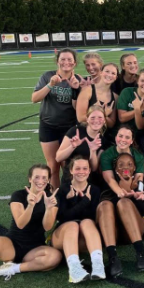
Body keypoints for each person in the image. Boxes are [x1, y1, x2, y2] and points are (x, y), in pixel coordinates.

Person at [97, 126, 144, 276]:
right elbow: (109, 179)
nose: (123, 140)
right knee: (106, 204)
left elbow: (140, 180)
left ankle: (140, 252)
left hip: (133, 229)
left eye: (127, 137)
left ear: (132, 141)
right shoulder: (107, 156)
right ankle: (113, 257)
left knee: (124, 203)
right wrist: (119, 191)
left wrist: (137, 193)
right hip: (113, 230)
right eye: (121, 136)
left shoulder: (138, 158)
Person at [32, 48, 82, 189]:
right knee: (53, 167)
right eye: (63, 59)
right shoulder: (47, 76)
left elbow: (77, 108)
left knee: (68, 167)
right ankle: (55, 199)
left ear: (74, 63)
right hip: (48, 126)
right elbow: (34, 98)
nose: (66, 62)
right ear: (57, 61)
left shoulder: (78, 79)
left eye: (69, 60)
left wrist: (76, 89)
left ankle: (69, 198)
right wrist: (50, 85)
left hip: (69, 128)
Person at [51, 157, 105, 283]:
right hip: (64, 237)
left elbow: (92, 217)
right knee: (72, 225)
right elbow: (62, 218)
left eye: (85, 168)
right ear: (71, 170)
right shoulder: (63, 189)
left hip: (85, 238)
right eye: (77, 168)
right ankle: (74, 269)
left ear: (90, 170)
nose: (81, 171)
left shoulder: (95, 190)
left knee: (86, 222)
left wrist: (78, 203)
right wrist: (80, 201)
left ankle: (98, 265)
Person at [56, 105, 107, 185]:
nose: (96, 120)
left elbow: (94, 168)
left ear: (104, 120)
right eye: (92, 117)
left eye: (100, 117)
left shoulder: (102, 140)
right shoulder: (75, 131)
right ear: (87, 119)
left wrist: (92, 151)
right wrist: (72, 146)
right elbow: (58, 158)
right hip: (69, 181)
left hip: (89, 183)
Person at [117, 68, 144, 132]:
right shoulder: (127, 92)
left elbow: (141, 126)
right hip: (122, 133)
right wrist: (140, 109)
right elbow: (122, 118)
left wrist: (138, 110)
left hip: (140, 136)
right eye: (142, 81)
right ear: (137, 81)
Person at [76, 62, 118, 129]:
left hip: (102, 135)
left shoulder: (115, 97)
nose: (109, 75)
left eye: (113, 73)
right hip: (84, 132)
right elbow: (80, 118)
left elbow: (111, 124)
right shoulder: (87, 90)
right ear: (101, 72)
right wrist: (104, 114)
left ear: (116, 77)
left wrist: (105, 116)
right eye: (107, 71)